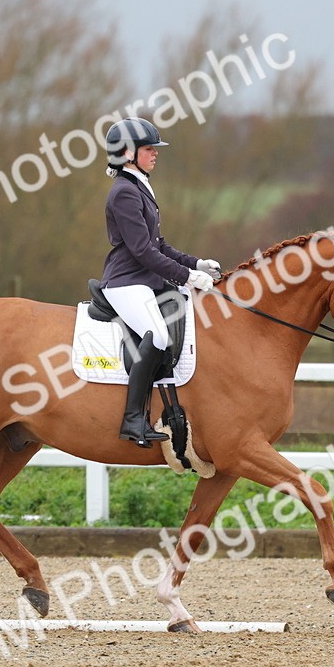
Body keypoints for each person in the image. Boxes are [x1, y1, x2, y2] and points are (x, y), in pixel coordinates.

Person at [98, 117, 221, 448]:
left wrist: (197, 264)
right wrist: (185, 276)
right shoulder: (124, 192)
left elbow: (158, 244)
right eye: (149, 149)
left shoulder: (139, 186)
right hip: (126, 282)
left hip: (144, 279)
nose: (155, 154)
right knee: (159, 335)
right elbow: (141, 251)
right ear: (127, 153)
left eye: (155, 149)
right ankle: (132, 419)